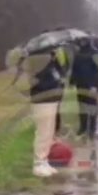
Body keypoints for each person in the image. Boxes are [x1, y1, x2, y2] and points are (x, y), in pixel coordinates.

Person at [23, 46, 67, 177]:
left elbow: (59, 74)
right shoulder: (38, 63)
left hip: (52, 99)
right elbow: (40, 82)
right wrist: (55, 80)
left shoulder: (52, 63)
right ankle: (38, 162)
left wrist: (57, 65)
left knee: (49, 132)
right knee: (43, 131)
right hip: (43, 99)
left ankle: (44, 160)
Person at [70, 37, 98, 139]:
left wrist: (72, 81)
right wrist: (97, 84)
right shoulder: (93, 55)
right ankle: (90, 129)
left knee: (83, 107)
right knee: (90, 108)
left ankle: (85, 128)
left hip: (82, 86)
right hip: (90, 86)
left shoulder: (79, 55)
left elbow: (74, 71)